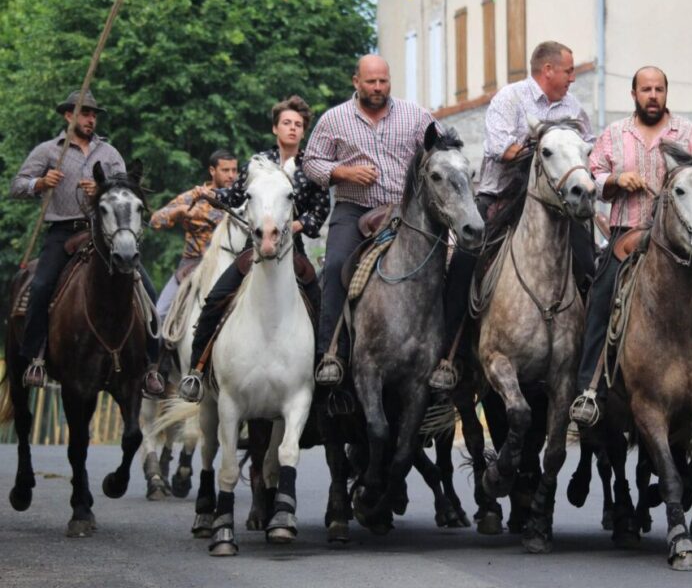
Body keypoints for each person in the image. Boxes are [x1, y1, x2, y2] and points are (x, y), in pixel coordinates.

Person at [568, 66, 692, 428]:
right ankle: (590, 389)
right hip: (628, 233)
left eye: (659, 89)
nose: (653, 95)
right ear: (633, 94)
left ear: (667, 93)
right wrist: (616, 179)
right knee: (600, 295)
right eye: (646, 89)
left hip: (683, 239)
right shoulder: (614, 134)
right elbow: (592, 174)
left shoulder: (688, 134)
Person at [443, 41, 596, 355]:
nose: (572, 79)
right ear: (548, 70)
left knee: (591, 265)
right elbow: (503, 148)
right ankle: (449, 355)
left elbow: (587, 151)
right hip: (501, 196)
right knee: (463, 263)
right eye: (568, 71)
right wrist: (540, 145)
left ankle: (587, 352)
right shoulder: (510, 98)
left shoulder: (575, 109)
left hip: (559, 204)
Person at [10, 90, 163, 394]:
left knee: (148, 289)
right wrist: (39, 183)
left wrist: (101, 189)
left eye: (93, 115)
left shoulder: (109, 154)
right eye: (85, 114)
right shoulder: (48, 151)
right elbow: (16, 186)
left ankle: (151, 367)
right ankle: (36, 358)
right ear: (69, 115)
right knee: (40, 287)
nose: (91, 119)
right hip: (62, 232)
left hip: (104, 233)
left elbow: (126, 189)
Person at [178, 96, 329, 401]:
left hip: (293, 250)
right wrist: (210, 194)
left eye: (298, 125)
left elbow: (320, 208)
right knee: (216, 299)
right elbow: (234, 195)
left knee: (321, 305)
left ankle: (322, 371)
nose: (292, 128)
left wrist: (300, 225)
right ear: (275, 128)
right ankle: (196, 371)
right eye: (286, 123)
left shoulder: (312, 168)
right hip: (254, 249)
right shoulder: (258, 163)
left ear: (304, 132)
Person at [303, 55, 437, 385]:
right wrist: (343, 172)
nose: (378, 88)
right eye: (371, 82)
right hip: (355, 210)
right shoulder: (333, 120)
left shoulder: (417, 116)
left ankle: (446, 356)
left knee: (443, 265)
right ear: (356, 82)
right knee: (335, 266)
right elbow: (311, 162)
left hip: (406, 212)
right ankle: (331, 354)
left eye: (383, 81)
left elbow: (441, 150)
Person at [150, 149, 238, 333]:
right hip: (193, 265)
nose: (231, 175)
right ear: (212, 171)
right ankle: (156, 361)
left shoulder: (239, 199)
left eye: (234, 170)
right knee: (159, 317)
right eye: (225, 170)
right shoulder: (193, 196)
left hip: (231, 266)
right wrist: (179, 211)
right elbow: (155, 221)